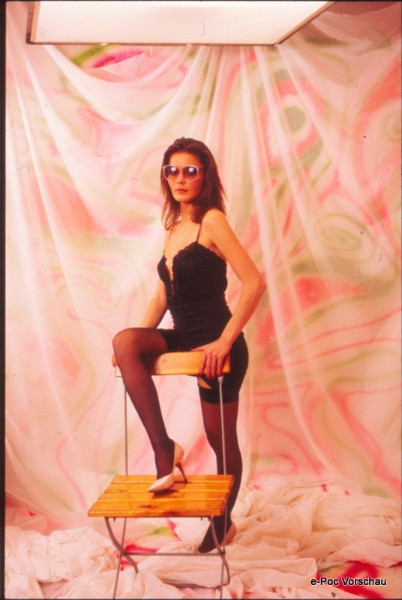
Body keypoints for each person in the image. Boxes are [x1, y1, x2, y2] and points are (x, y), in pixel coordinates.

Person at [112, 137, 266, 553]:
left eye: (190, 171)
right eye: (172, 171)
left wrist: (223, 341)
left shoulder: (211, 221)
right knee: (125, 341)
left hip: (219, 345)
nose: (180, 178)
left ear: (205, 176)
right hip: (182, 336)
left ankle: (222, 523)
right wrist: (131, 348)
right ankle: (165, 449)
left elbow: (254, 282)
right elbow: (163, 295)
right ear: (165, 177)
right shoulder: (173, 227)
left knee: (221, 442)